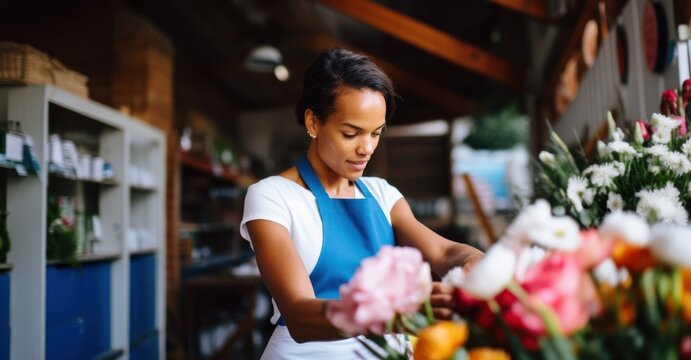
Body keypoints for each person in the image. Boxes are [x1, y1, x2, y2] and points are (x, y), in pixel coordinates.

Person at [240, 48, 484, 359]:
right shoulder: (273, 196)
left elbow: (444, 252)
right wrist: (395, 313)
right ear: (313, 122)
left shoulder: (382, 194)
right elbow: (300, 315)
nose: (366, 148)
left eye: (376, 133)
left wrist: (478, 263)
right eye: (351, 133)